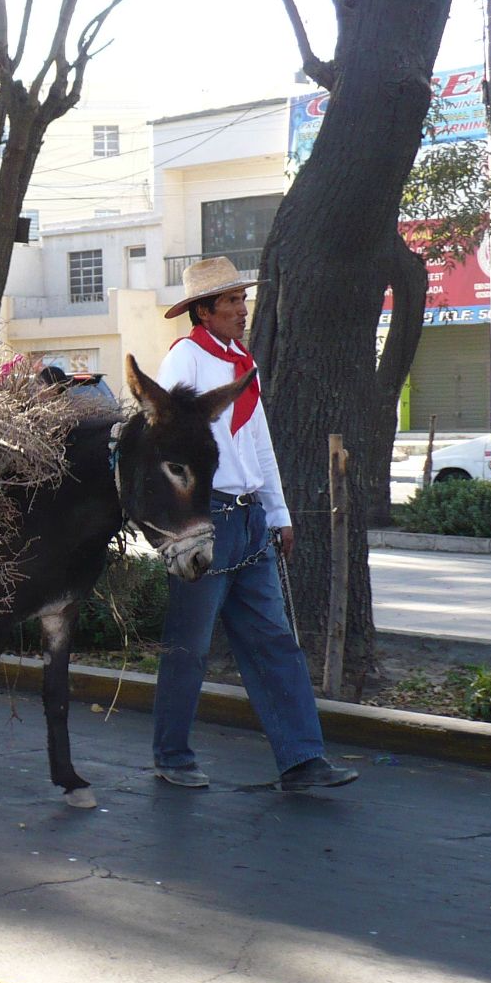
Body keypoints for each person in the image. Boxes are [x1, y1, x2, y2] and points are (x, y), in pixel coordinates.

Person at [148, 256, 359, 794]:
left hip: (249, 519)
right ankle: (172, 754)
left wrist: (279, 513)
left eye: (244, 299)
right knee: (189, 645)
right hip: (209, 516)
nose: (244, 310)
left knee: (273, 641)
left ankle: (302, 760)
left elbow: (259, 444)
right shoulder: (185, 360)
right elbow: (167, 443)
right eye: (233, 301)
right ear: (204, 310)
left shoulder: (241, 362)